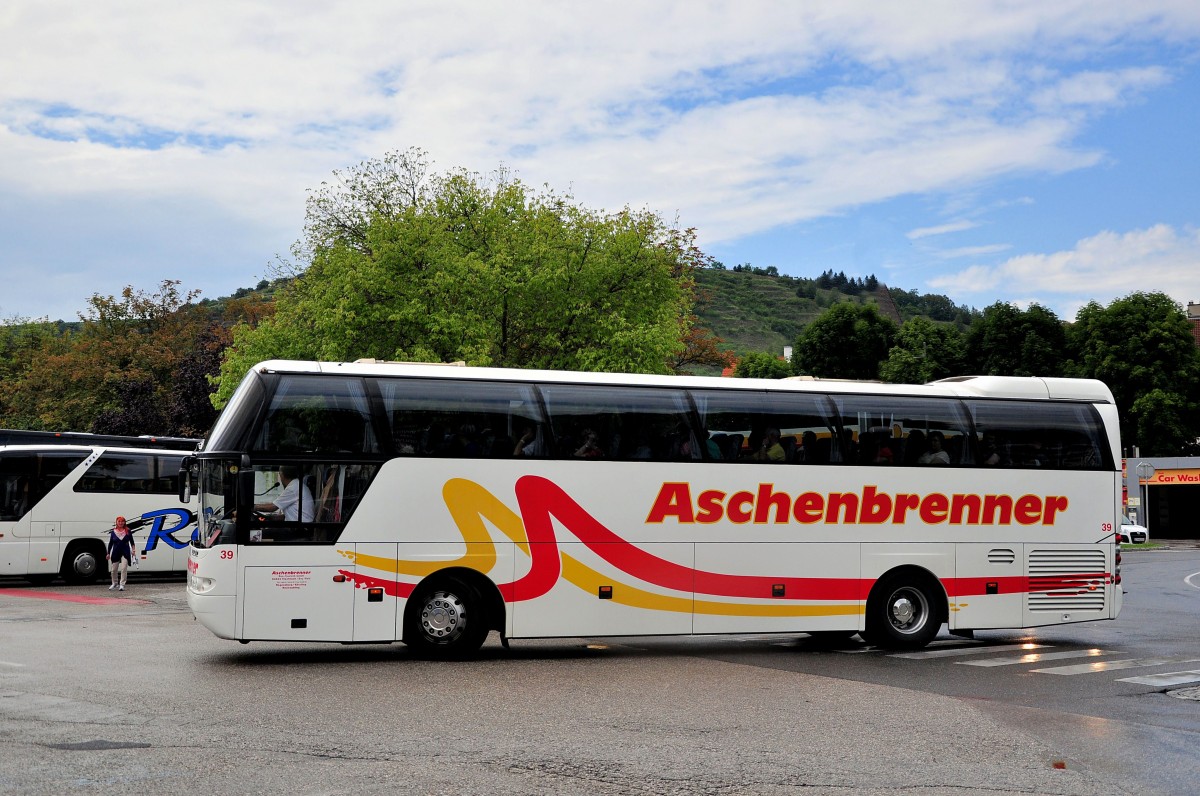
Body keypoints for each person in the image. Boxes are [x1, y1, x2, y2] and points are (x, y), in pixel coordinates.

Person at [106, 516, 136, 591]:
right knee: (114, 570)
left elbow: (132, 542)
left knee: (123, 568)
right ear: (116, 522)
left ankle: (122, 584)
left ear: (124, 522)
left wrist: (133, 550)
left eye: (122, 521)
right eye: (119, 521)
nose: (120, 523)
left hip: (125, 552)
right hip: (116, 552)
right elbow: (110, 543)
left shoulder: (128, 531)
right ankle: (114, 583)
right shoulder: (113, 532)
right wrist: (108, 553)